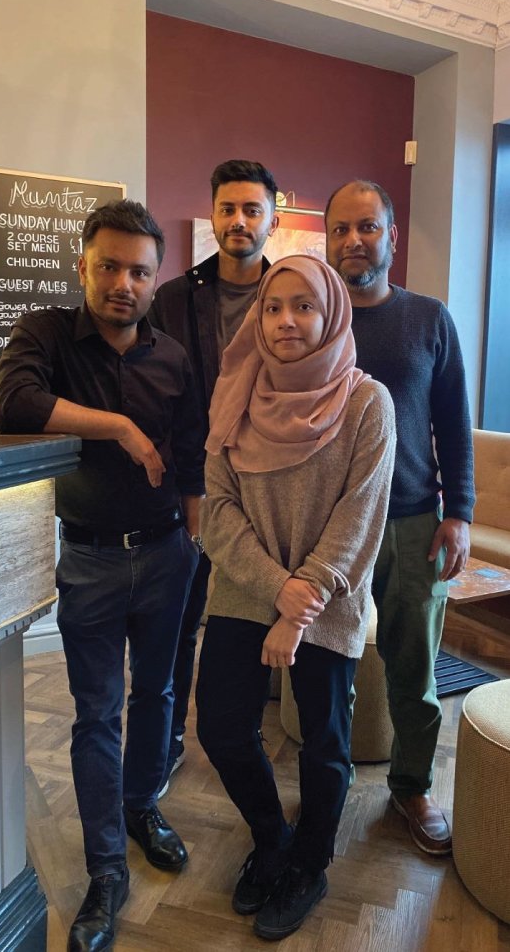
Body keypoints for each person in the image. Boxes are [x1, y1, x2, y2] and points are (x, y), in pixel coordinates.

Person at [0, 200, 205, 952]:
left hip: (167, 553)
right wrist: (116, 426)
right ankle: (106, 868)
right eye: (109, 266)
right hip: (87, 556)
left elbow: (190, 455)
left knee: (157, 694)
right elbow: (16, 401)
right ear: (83, 264)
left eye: (140, 271)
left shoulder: (175, 357)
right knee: (95, 714)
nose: (124, 283)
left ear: (156, 279)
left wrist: (195, 539)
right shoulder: (46, 331)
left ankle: (144, 806)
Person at [196, 255, 396, 940]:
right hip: (245, 592)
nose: (286, 320)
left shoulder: (368, 402)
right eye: (274, 306)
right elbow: (217, 512)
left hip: (328, 602)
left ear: (331, 312)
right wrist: (278, 590)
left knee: (324, 744)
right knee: (222, 728)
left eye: (304, 306)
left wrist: (302, 598)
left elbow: (360, 516)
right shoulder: (236, 391)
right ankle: (272, 838)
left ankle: (309, 865)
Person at [325, 179, 475, 857]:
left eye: (367, 227)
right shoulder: (312, 317)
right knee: (324, 664)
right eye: (341, 230)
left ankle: (412, 787)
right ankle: (324, 786)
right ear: (327, 241)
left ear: (391, 235)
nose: (354, 240)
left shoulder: (430, 319)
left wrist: (461, 512)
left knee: (414, 666)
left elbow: (453, 421)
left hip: (415, 521)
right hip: (329, 525)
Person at [149, 159, 279, 792]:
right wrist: (185, 484)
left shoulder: (294, 294)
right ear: (213, 215)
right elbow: (155, 394)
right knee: (180, 615)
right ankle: (169, 735)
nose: (239, 221)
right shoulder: (174, 297)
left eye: (252, 209)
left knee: (258, 609)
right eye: (228, 208)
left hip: (272, 485)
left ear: (272, 219)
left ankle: (246, 727)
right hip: (193, 485)